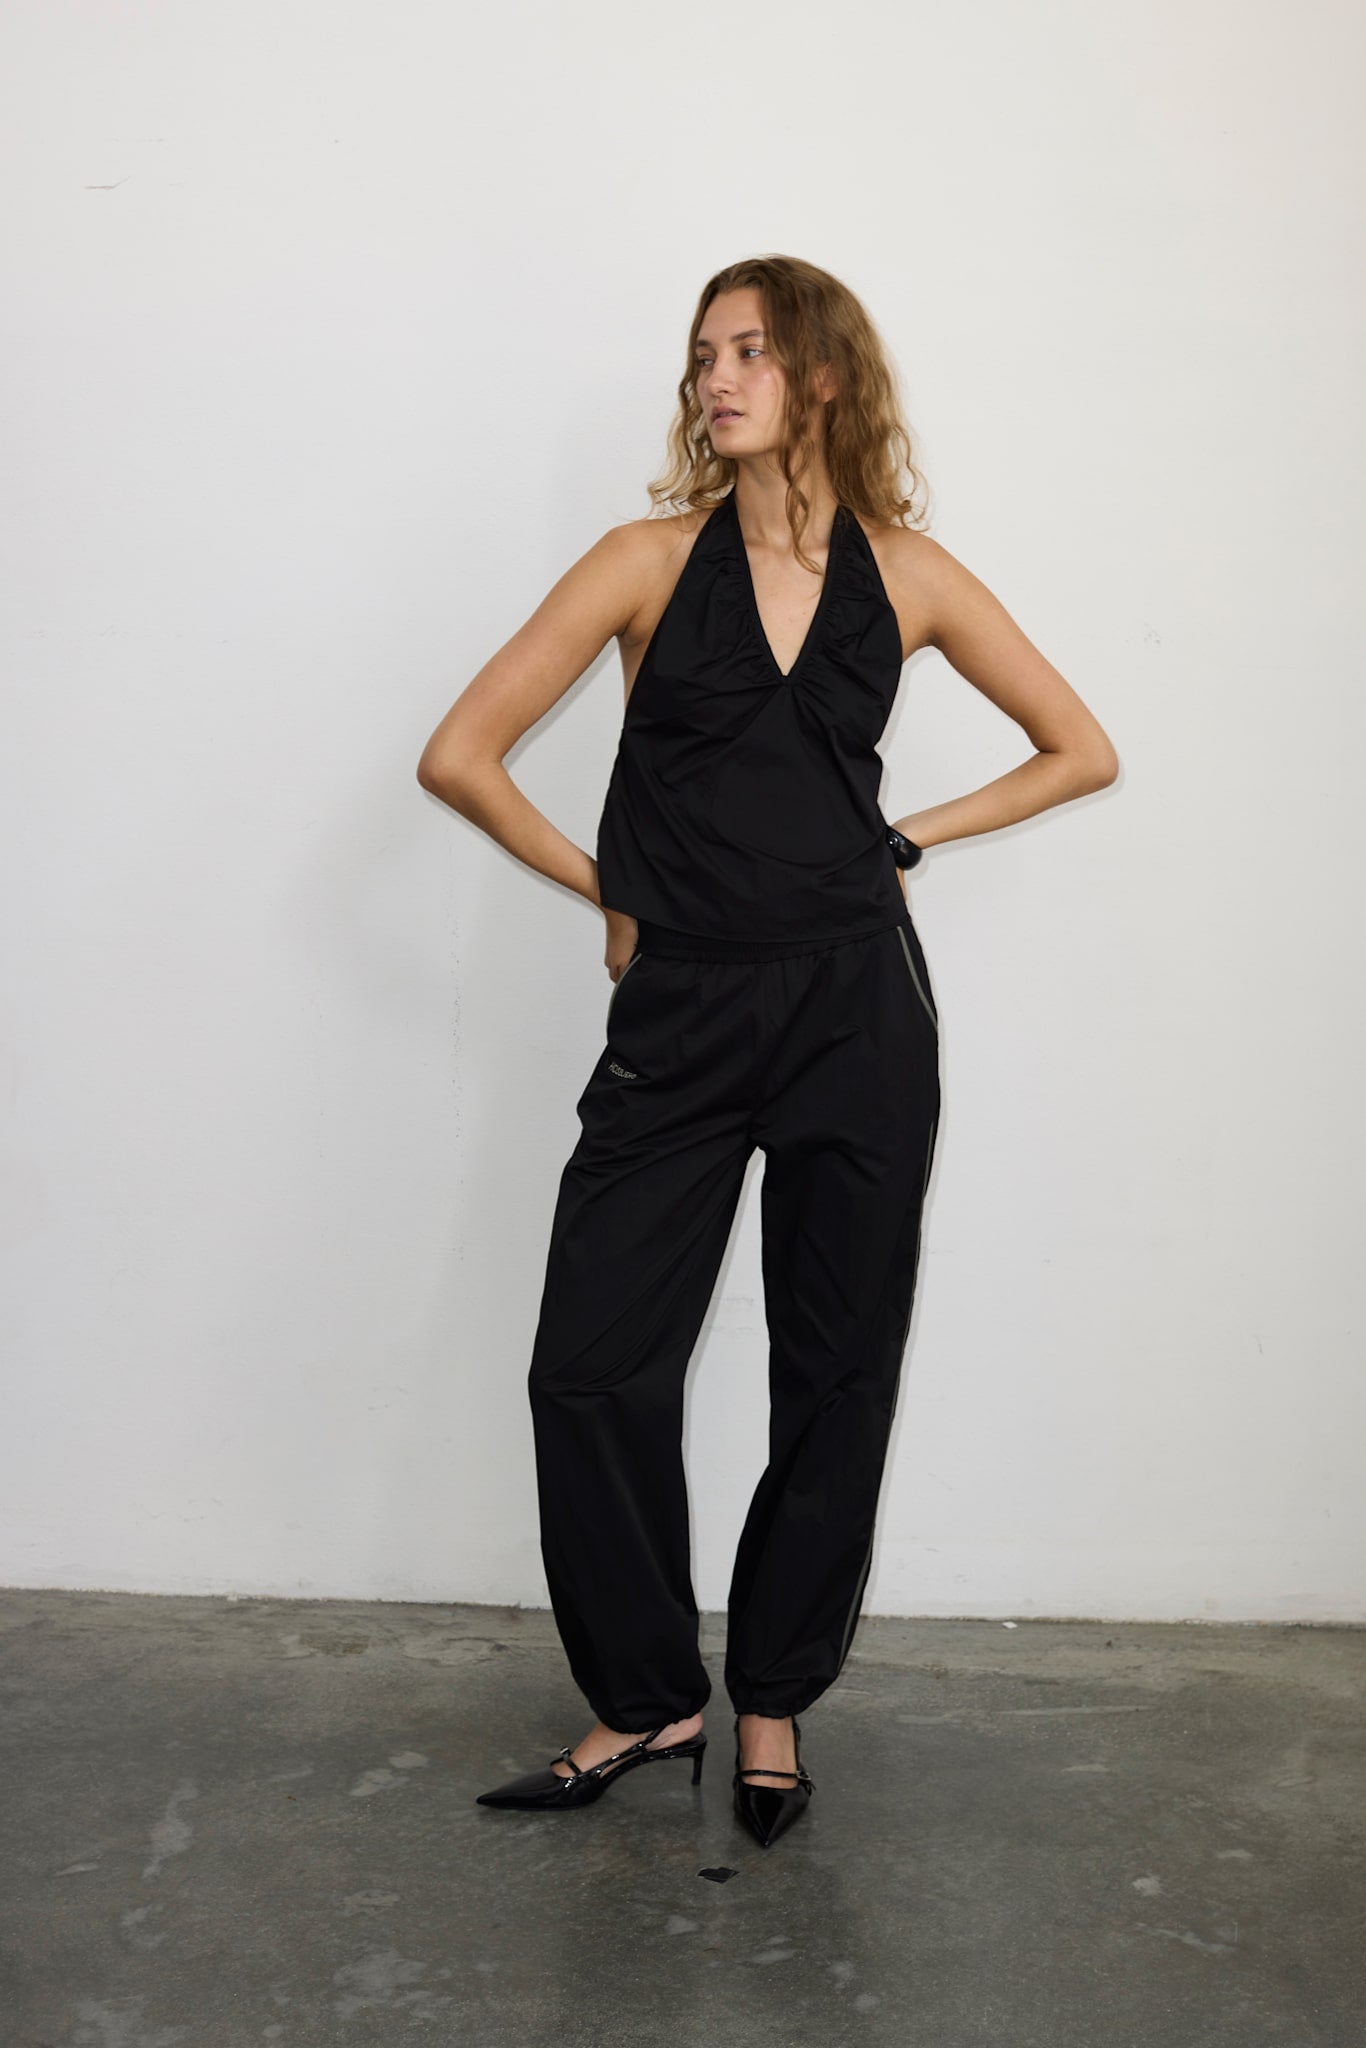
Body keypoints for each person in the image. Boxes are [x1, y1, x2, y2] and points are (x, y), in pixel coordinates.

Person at [416, 255, 1118, 1850]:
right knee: (591, 1365)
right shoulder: (642, 561)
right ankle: (649, 1696)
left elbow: (1078, 750)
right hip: (682, 1013)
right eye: (702, 355)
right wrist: (618, 890)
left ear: (821, 376)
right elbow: (459, 756)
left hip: (856, 1013)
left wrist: (907, 842)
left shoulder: (909, 575)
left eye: (749, 351)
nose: (716, 379)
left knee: (837, 1363)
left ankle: (775, 1700)